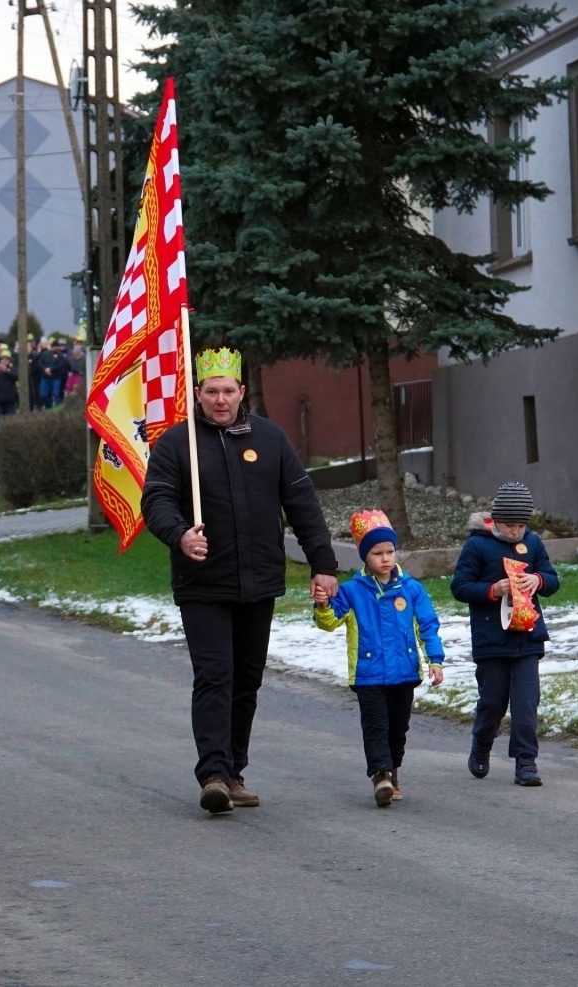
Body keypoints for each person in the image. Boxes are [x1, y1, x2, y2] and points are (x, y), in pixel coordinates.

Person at [141, 347, 339, 814]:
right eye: (212, 391)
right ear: (198, 394)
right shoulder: (177, 443)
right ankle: (212, 773)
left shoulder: (269, 439)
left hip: (259, 581)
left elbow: (302, 505)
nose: (221, 399)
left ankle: (234, 771)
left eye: (228, 391)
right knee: (215, 675)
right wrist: (180, 535)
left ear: (242, 392)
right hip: (203, 582)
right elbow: (158, 500)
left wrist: (323, 565)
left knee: (246, 680)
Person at [315, 510, 445, 807]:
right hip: (368, 674)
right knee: (376, 726)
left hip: (405, 672)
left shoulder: (411, 589)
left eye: (390, 551)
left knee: (398, 728)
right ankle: (380, 775)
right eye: (377, 553)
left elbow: (427, 625)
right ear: (365, 556)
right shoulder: (351, 591)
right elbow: (330, 622)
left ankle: (393, 769)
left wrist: (434, 660)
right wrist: (323, 606)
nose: (385, 558)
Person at [450, 482, 559, 787]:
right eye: (509, 525)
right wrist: (491, 590)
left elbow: (553, 579)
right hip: (491, 642)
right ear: (495, 520)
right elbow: (459, 586)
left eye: (521, 525)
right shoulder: (477, 546)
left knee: (526, 705)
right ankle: (481, 745)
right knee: (492, 704)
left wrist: (537, 580)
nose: (515, 532)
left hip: (527, 639)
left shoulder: (533, 544)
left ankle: (526, 762)